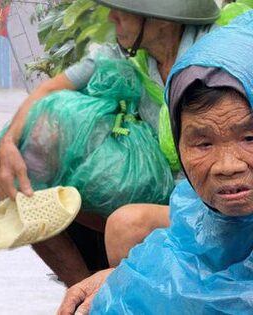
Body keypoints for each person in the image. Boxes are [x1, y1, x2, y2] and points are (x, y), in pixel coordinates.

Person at [0, 0, 220, 287]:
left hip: (216, 200)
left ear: (162, 19)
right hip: (167, 192)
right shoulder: (125, 55)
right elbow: (49, 91)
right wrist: (9, 146)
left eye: (122, 13)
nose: (112, 17)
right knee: (23, 186)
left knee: (125, 225)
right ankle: (83, 291)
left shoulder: (217, 52)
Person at [58, 10, 253, 314]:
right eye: (202, 144)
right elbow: (190, 258)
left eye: (249, 139)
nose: (227, 165)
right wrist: (127, 280)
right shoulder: (195, 211)